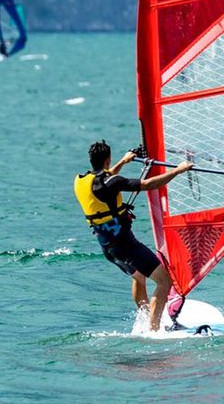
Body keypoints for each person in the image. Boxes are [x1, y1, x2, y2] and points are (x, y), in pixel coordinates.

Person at [74, 142, 193, 331]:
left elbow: (105, 180)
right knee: (164, 281)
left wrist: (123, 161)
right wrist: (178, 170)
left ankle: (147, 319)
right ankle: (154, 331)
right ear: (107, 160)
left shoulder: (81, 181)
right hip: (126, 245)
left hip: (108, 248)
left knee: (139, 277)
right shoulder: (113, 182)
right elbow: (147, 184)